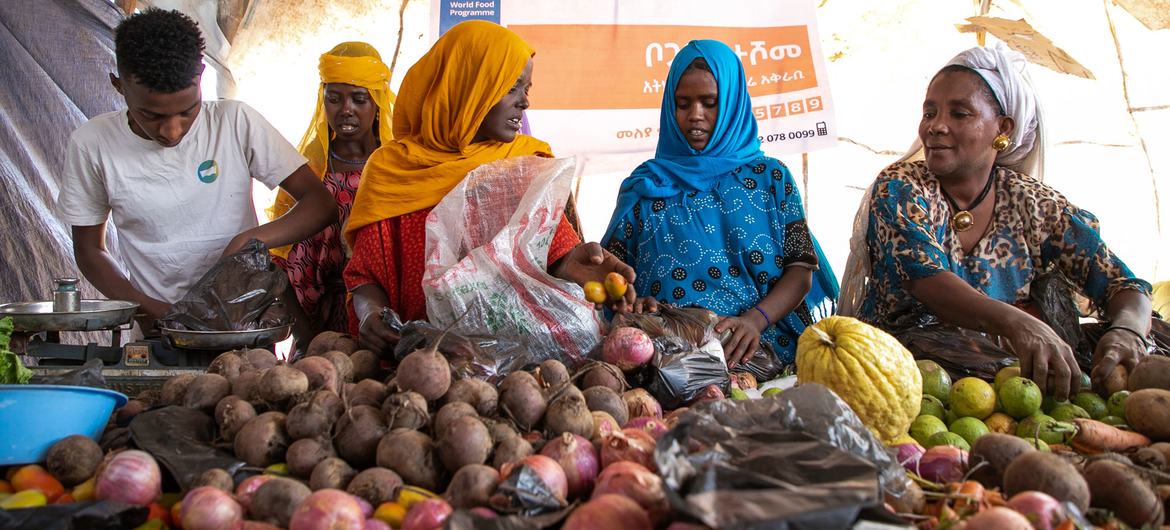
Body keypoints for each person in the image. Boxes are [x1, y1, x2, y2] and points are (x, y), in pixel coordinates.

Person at [838, 45, 1156, 401]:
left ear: (1002, 128)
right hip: (913, 368)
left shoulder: (1033, 203)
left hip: (1007, 374)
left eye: (959, 113)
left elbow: (1122, 283)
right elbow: (925, 279)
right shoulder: (901, 187)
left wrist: (1128, 330)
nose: (936, 126)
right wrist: (1018, 323)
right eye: (930, 112)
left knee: (1148, 337)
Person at [344, 20, 635, 354]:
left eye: (527, 89)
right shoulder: (391, 170)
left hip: (518, 363)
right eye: (510, 88)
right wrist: (369, 314)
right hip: (419, 362)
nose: (524, 102)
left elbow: (552, 251)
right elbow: (364, 275)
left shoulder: (526, 163)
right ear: (466, 87)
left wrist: (570, 264)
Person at [59, 8, 336, 335]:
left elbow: (320, 203)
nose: (172, 131)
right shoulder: (93, 144)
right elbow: (90, 251)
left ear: (201, 75)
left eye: (187, 111)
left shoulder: (235, 123)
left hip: (240, 326)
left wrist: (249, 239)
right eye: (152, 116)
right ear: (119, 86)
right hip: (156, 331)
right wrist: (153, 310)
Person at [602, 40, 838, 368]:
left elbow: (800, 272)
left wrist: (755, 320)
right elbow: (612, 279)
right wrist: (632, 303)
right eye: (682, 104)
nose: (695, 116)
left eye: (709, 103)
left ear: (731, 102)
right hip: (666, 361)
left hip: (761, 356)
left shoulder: (770, 178)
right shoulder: (646, 186)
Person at [267, 42, 394, 340]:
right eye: (334, 98)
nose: (346, 110)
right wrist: (304, 338)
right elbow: (282, 257)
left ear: (377, 102)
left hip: (381, 313)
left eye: (359, 99)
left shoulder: (394, 164)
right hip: (318, 319)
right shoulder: (309, 167)